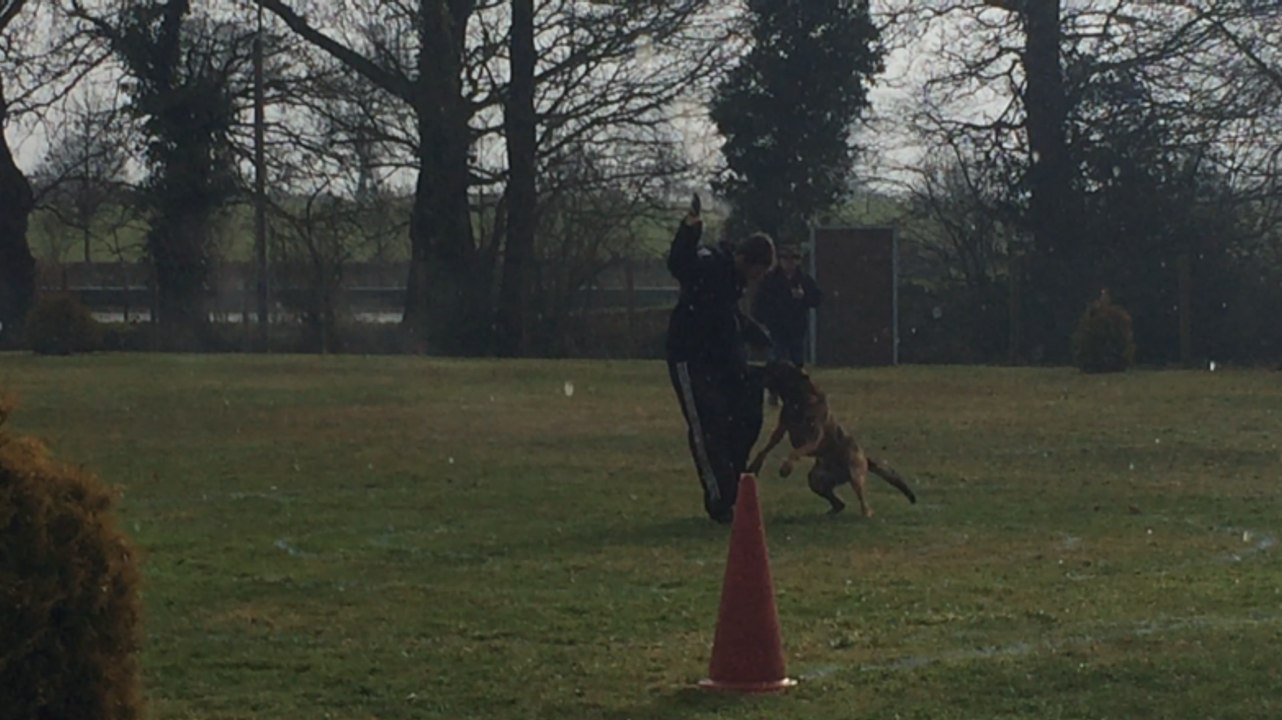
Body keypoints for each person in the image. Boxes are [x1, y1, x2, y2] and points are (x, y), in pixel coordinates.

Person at [665, 204, 776, 524]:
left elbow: (726, 313)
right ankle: (719, 498)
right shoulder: (710, 264)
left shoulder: (732, 281)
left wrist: (754, 332)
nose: (758, 280)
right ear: (748, 261)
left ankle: (735, 482)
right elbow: (679, 263)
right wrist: (690, 229)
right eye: (759, 272)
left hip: (724, 359)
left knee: (746, 416)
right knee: (708, 425)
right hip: (691, 357)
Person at [752, 244, 823, 369]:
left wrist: (804, 296)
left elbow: (817, 299)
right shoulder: (770, 280)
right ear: (779, 260)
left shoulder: (804, 279)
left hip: (797, 328)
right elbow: (759, 302)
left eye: (794, 258)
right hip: (777, 328)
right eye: (785, 258)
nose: (790, 262)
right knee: (777, 359)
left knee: (797, 361)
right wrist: (765, 320)